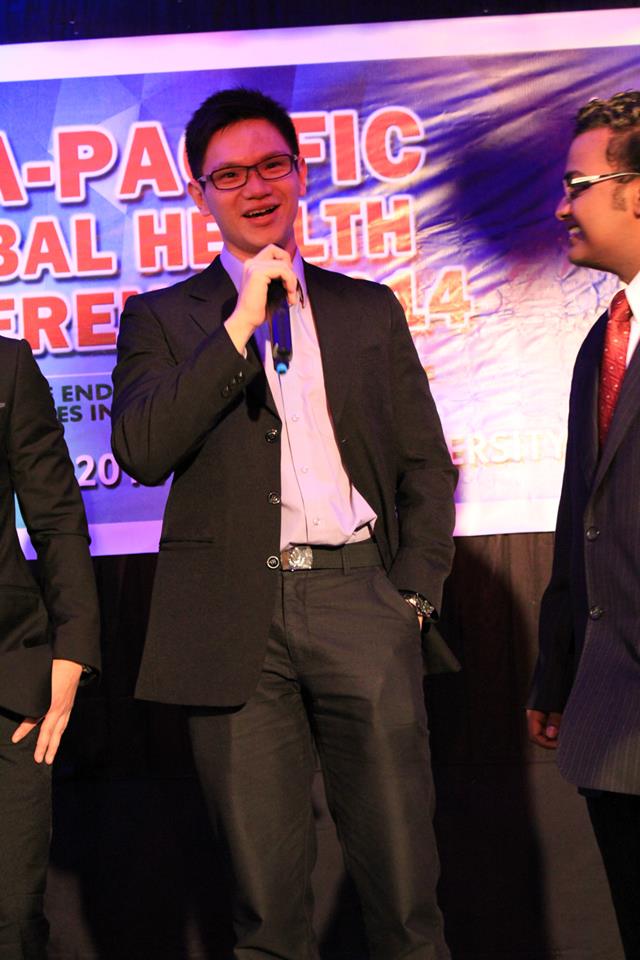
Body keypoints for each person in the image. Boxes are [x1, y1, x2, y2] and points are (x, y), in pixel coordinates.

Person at [111, 86, 457, 960]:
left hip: (359, 600)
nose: (255, 187)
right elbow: (143, 450)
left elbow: (424, 464)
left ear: (301, 175)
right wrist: (239, 324)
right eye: (229, 176)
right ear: (198, 193)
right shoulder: (162, 319)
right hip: (235, 621)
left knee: (405, 897)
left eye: (271, 166)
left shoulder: (366, 308)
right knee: (266, 915)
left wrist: (412, 597)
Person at [528, 91, 640, 959]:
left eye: (578, 186)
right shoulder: (600, 342)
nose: (562, 207)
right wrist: (556, 668)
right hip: (610, 715)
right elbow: (583, 520)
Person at [0, 335, 100, 959]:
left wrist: (73, 649)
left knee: (12, 921)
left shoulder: (7, 366)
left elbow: (57, 516)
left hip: (6, 683)